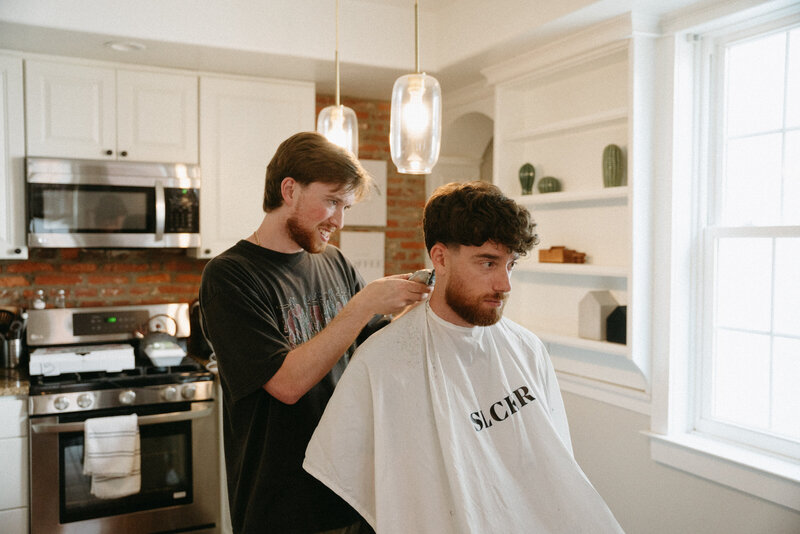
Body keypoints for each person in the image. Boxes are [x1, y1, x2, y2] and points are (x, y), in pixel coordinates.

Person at [303, 181, 624, 533]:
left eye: (511, 264)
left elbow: (555, 465)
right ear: (440, 258)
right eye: (488, 263)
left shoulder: (527, 349)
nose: (505, 284)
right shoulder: (381, 361)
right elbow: (353, 477)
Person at [199, 132, 432, 534]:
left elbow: (373, 343)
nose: (338, 221)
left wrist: (419, 304)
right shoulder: (229, 276)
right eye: (332, 201)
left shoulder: (335, 262)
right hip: (281, 504)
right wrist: (364, 303)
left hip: (348, 489)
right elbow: (287, 384)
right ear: (289, 190)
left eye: (346, 206)